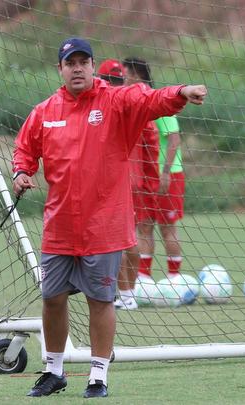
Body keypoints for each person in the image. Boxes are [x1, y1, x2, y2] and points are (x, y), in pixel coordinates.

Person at [13, 37, 206, 398]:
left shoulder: (115, 100)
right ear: (60, 69)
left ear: (92, 66)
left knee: (100, 302)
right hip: (60, 227)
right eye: (71, 63)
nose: (78, 68)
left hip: (103, 227)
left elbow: (150, 99)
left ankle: (98, 376)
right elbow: (25, 149)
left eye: (84, 62)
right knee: (52, 299)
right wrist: (21, 172)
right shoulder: (44, 111)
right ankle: (54, 370)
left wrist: (181, 91)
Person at [97, 59, 160, 311]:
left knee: (113, 243)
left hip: (107, 184)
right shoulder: (134, 103)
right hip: (133, 183)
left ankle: (120, 294)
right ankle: (127, 293)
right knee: (129, 239)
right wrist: (150, 181)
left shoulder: (97, 105)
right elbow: (152, 144)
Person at [122, 58, 185, 282]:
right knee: (144, 227)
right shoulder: (131, 102)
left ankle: (175, 279)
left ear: (136, 75)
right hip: (143, 179)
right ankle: (143, 279)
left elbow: (174, 139)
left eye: (125, 73)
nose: (122, 78)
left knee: (167, 228)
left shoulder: (157, 100)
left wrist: (165, 172)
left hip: (168, 175)